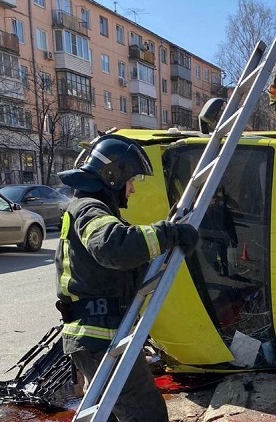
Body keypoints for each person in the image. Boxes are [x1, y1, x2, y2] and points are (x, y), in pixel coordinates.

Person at [54, 134, 200, 421]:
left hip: (94, 335)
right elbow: (113, 246)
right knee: (146, 414)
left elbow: (115, 267)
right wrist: (170, 233)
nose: (131, 189)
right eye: (131, 179)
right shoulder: (89, 209)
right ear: (113, 175)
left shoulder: (87, 207)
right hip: (99, 334)